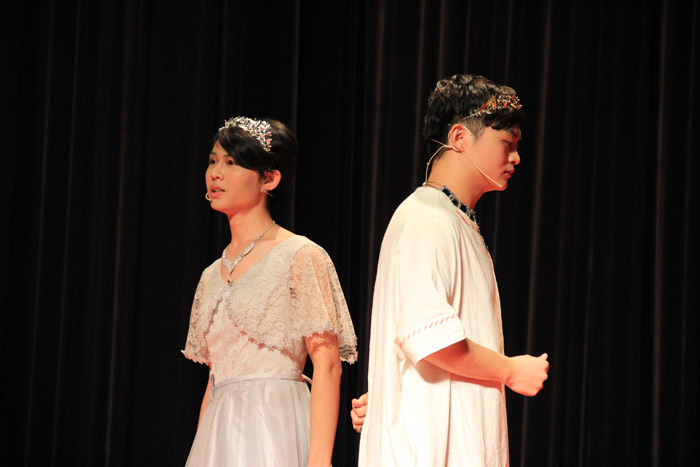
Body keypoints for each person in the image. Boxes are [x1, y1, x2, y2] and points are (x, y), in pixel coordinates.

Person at [355, 74, 549, 466]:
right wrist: (511, 370)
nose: (516, 158)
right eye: (507, 143)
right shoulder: (425, 218)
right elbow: (430, 339)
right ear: (459, 137)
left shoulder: (452, 219)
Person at [182, 116, 357, 466]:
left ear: (269, 179)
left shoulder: (299, 255)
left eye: (232, 163)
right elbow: (215, 379)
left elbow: (327, 365)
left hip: (275, 423)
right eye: (213, 161)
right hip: (220, 432)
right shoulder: (210, 276)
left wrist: (319, 461)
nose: (216, 173)